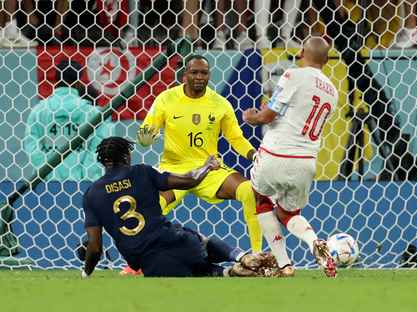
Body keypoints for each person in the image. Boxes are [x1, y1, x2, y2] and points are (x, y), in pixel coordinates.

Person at [134, 54, 262, 274]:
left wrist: (253, 154)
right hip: (174, 170)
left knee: (249, 191)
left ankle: (258, 257)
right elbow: (145, 138)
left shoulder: (219, 103)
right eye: (194, 72)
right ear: (185, 75)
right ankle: (136, 264)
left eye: (204, 73)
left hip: (209, 169)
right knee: (149, 207)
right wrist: (146, 136)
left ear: (209, 75)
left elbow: (236, 138)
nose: (199, 77)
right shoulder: (166, 99)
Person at [82, 137, 276, 278]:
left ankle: (230, 272)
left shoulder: (92, 194)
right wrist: (207, 166)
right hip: (178, 241)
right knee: (199, 240)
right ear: (126, 156)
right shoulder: (142, 172)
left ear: (102, 160)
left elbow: (95, 247)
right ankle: (242, 257)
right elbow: (189, 181)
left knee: (202, 273)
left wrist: (86, 272)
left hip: (151, 264)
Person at [242, 37, 338, 278]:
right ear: (326, 60)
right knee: (287, 214)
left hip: (276, 152)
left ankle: (285, 265)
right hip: (306, 161)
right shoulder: (333, 91)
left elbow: (269, 116)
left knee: (261, 199)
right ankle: (314, 241)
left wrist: (252, 117)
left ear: (302, 52)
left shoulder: (293, 75)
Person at [23, 59, 113, 181]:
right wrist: (85, 177)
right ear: (79, 81)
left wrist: (47, 174)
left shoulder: (39, 111)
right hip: (85, 185)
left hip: (46, 184)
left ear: (56, 79)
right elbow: (98, 149)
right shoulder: (92, 113)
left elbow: (31, 145)